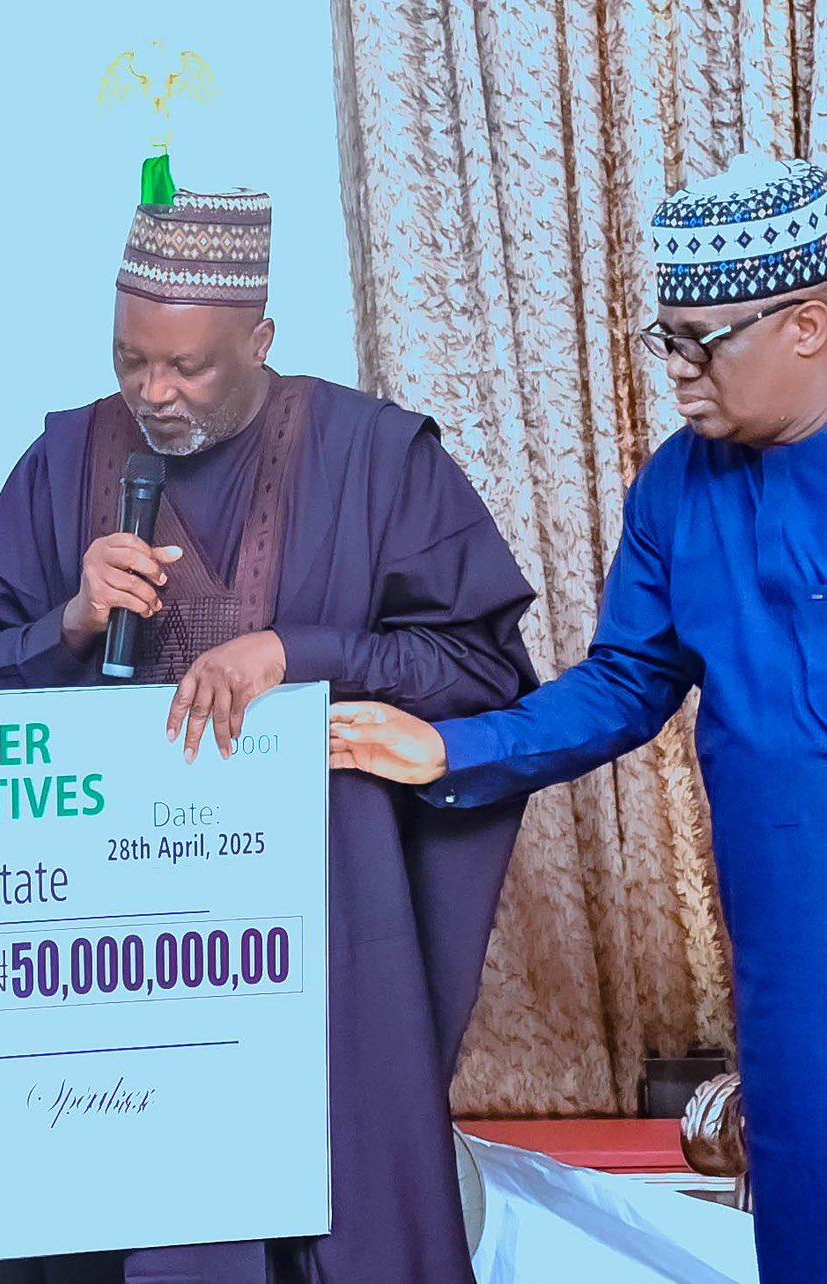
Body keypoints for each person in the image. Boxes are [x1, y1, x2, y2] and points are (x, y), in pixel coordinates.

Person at [0, 163, 538, 1282]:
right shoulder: (66, 458)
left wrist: (303, 654)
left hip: (320, 918)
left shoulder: (375, 457)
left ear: (259, 340)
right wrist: (69, 622)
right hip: (117, 931)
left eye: (188, 366)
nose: (153, 393)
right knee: (133, 1209)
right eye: (130, 360)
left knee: (329, 1206)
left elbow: (481, 671)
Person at [329, 152, 827, 1284]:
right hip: (790, 921)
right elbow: (624, 682)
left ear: (804, 326)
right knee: (805, 1176)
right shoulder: (676, 487)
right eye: (666, 341)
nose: (679, 373)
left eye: (701, 342)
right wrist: (449, 747)